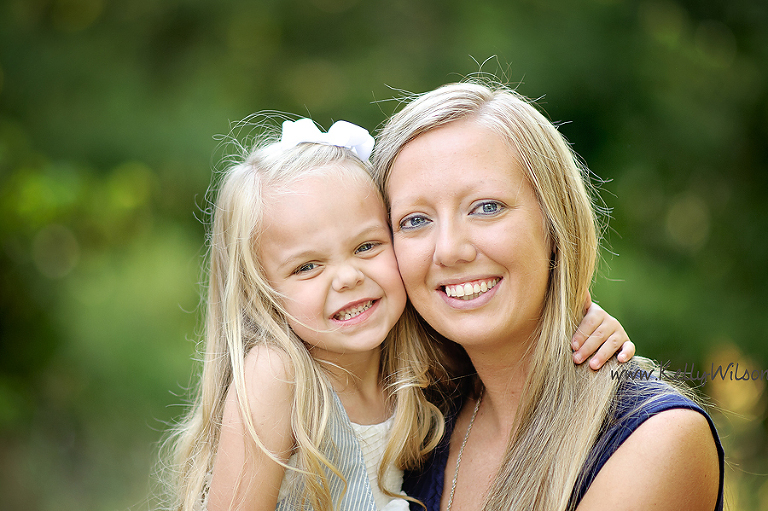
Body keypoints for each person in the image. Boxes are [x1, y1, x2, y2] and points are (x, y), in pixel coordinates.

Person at [162, 114, 635, 511]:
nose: (347, 278)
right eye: (307, 267)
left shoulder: (415, 366)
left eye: (367, 246)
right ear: (261, 291)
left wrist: (582, 319)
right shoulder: (278, 375)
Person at [371, 80, 724, 511]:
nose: (449, 250)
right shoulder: (408, 424)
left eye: (486, 207)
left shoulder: (656, 438)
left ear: (555, 225)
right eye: (415, 220)